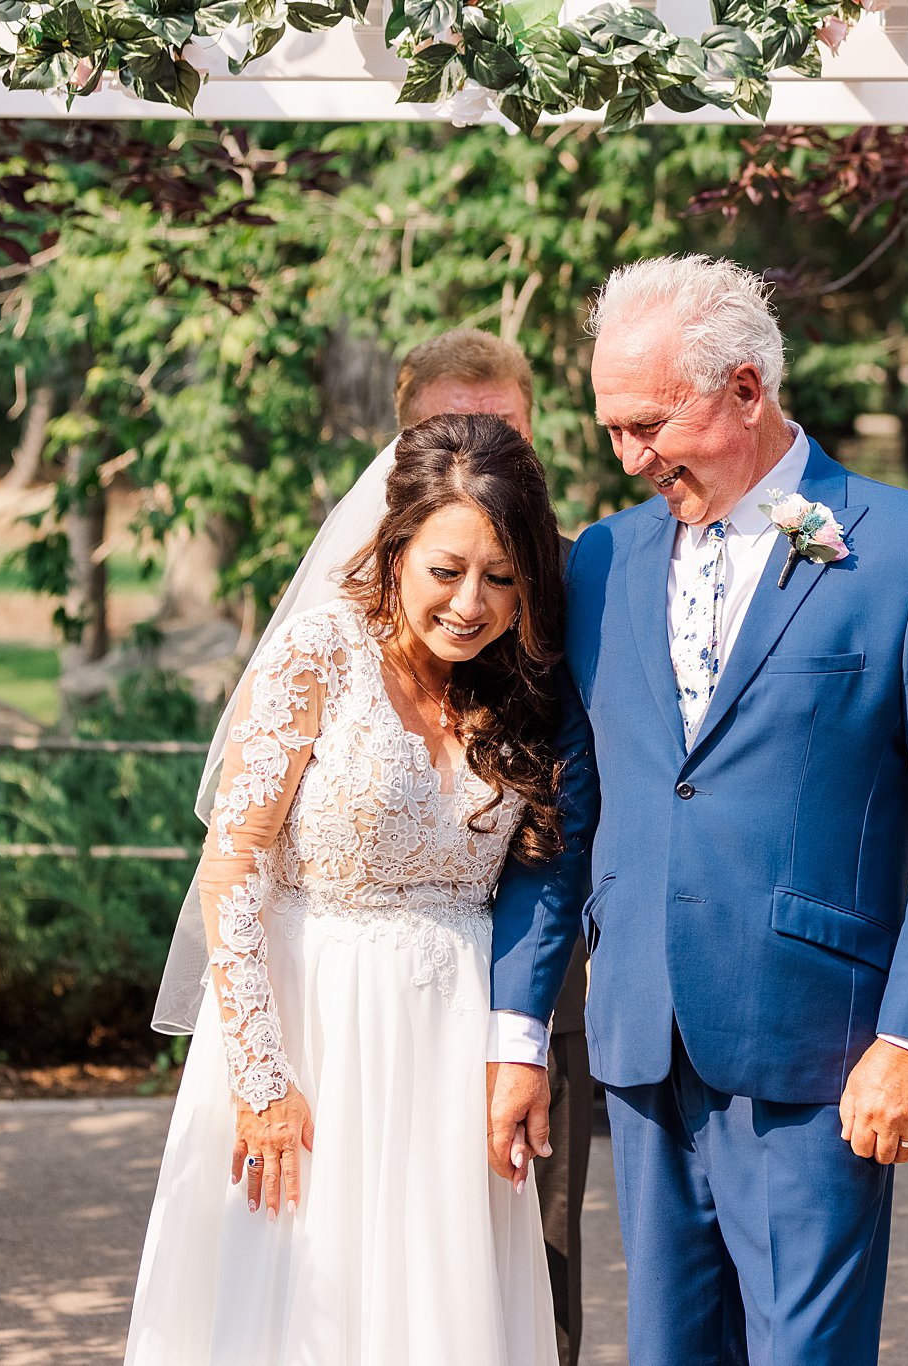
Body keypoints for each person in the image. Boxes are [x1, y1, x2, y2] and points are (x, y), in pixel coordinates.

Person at [486, 254, 908, 1364]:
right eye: (611, 430)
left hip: (815, 1049)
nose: (629, 458)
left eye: (649, 425)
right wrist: (516, 1027)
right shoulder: (601, 563)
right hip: (641, 1039)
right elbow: (566, 809)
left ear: (743, 389)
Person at [124, 413, 565, 1365]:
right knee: (300, 1305)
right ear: (397, 546)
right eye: (447, 570)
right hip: (314, 1034)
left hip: (453, 1037)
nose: (470, 603)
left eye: (501, 577)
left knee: (439, 1311)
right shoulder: (319, 653)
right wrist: (260, 1079)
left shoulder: (517, 683)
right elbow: (233, 858)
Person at [395, 328, 595, 1366]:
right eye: (450, 431)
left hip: (534, 988)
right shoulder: (353, 595)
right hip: (363, 1001)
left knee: (532, 1254)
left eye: (503, 433)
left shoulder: (572, 585)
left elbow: (567, 814)